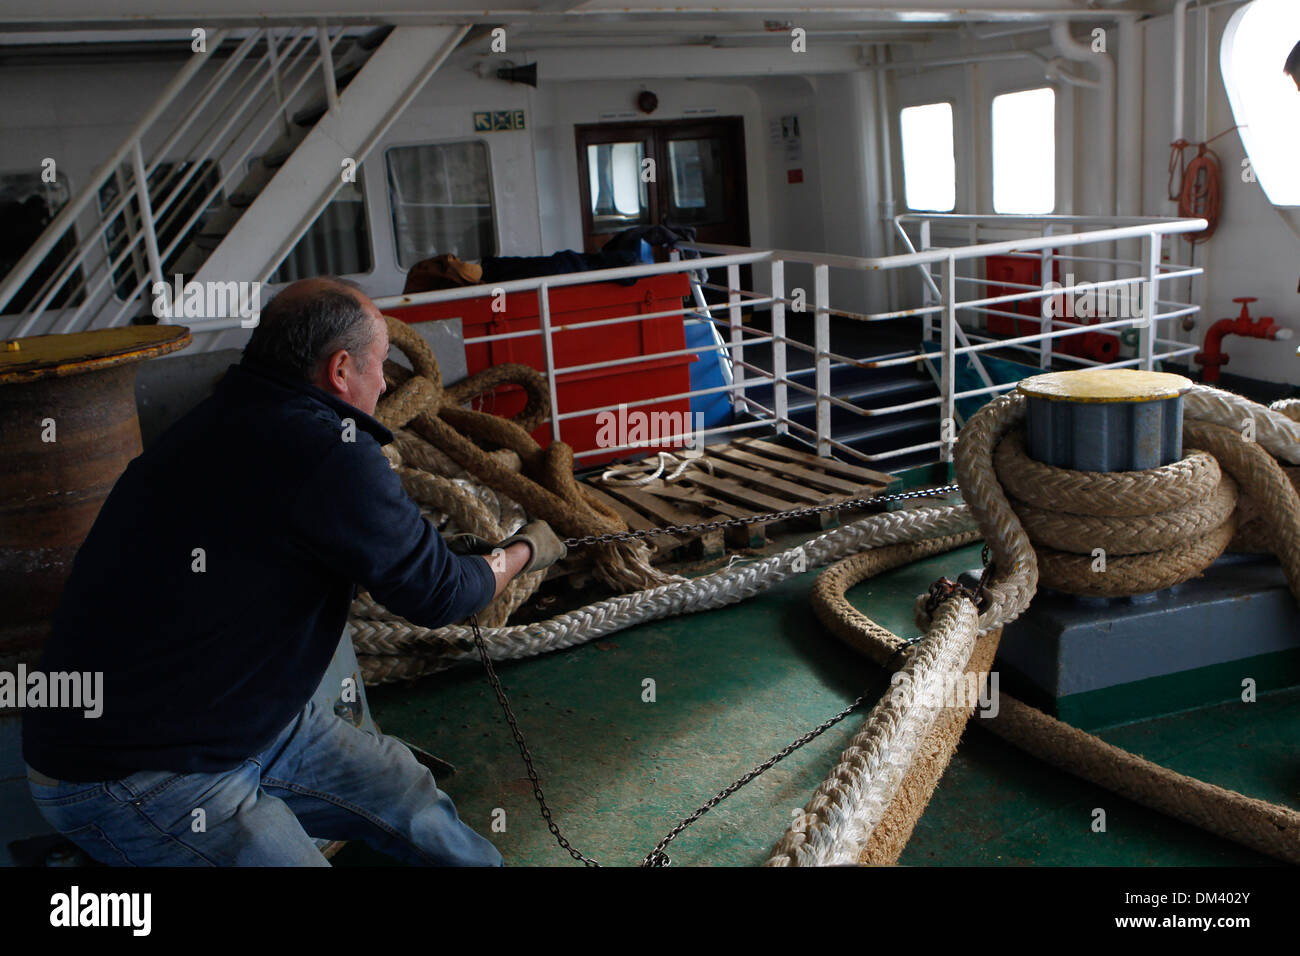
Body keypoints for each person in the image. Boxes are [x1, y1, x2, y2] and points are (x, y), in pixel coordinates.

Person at [22, 276, 564, 866]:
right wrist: (527, 549)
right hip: (140, 771)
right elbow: (439, 595)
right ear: (339, 370)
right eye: (380, 365)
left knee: (400, 790)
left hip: (250, 722)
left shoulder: (226, 415)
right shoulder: (329, 449)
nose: (385, 383)